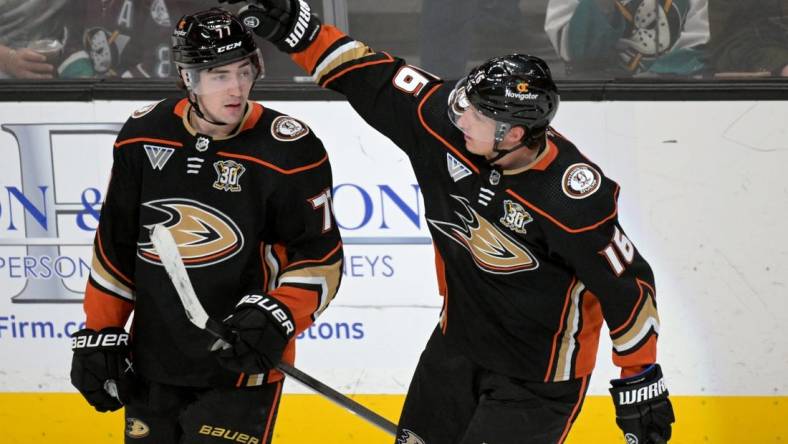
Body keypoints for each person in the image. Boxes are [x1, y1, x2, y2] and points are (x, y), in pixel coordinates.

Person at [226, 1, 675, 443]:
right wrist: (299, 33)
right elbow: (370, 75)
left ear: (513, 134)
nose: (460, 116)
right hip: (455, 351)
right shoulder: (444, 121)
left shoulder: (570, 198)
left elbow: (628, 288)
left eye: (476, 115)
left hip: (537, 380)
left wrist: (640, 377)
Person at [69, 7, 343, 443]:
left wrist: (278, 316)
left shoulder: (291, 149)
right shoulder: (143, 135)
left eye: (244, 70)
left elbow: (321, 256)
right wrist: (100, 330)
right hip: (153, 363)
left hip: (242, 365)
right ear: (187, 78)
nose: (236, 88)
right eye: (217, 75)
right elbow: (116, 246)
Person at [544, 0, 709, 77]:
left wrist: (660, 76)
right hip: (601, 92)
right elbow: (574, 51)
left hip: (672, 95)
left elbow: (697, 45)